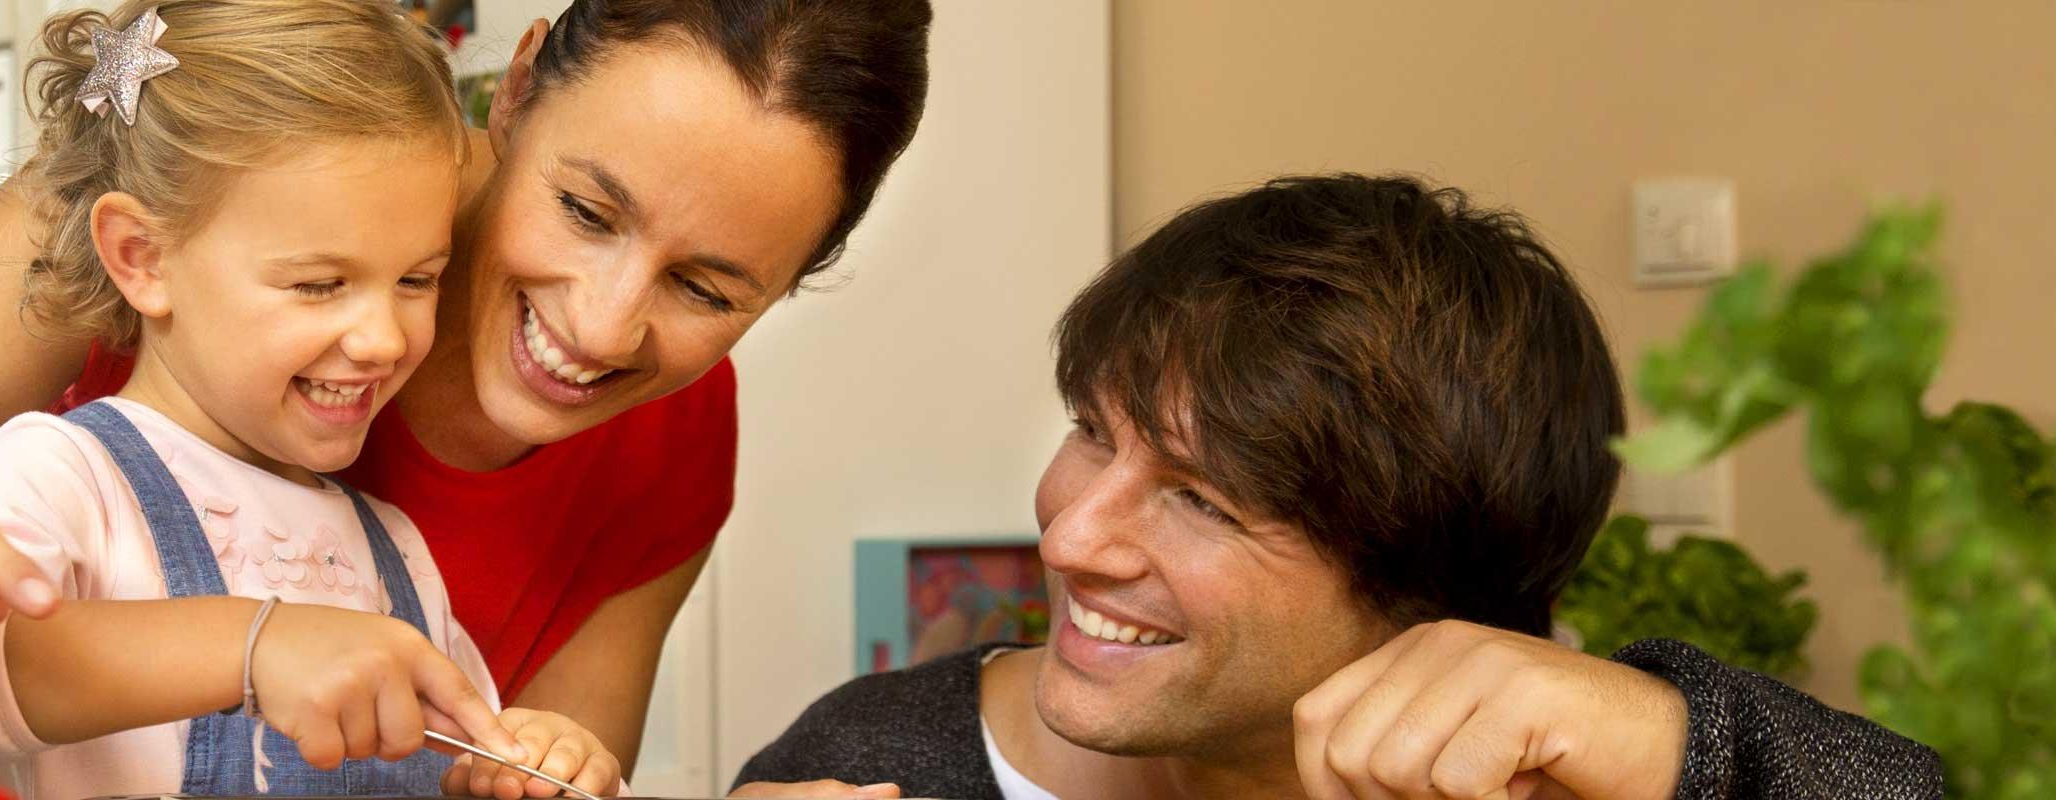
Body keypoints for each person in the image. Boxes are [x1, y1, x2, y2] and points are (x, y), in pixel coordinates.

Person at [0, 0, 936, 797]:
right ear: (520, 84)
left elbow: (517, 773)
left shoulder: (676, 448)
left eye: (710, 287)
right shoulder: (209, 192)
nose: (600, 324)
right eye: (584, 208)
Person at [730, 175, 1943, 800]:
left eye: (1201, 500)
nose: (1073, 532)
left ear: (1423, 596)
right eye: (1093, 432)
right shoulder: (874, 755)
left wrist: (1675, 738)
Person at [0, 2, 597, 797]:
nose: (384, 340)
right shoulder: (63, 478)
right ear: (142, 257)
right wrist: (251, 647)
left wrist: (526, 759)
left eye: (416, 280)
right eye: (319, 284)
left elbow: (463, 753)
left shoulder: (392, 551)